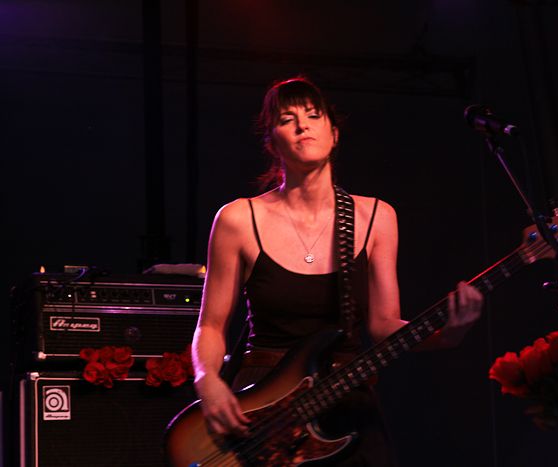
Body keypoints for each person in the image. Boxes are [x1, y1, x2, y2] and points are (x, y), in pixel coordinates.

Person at [191, 76, 484, 466]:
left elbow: (383, 325)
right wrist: (207, 380)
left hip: (346, 401)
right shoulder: (238, 219)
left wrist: (448, 335)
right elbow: (211, 325)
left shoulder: (376, 216)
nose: (302, 125)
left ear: (334, 133)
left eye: (314, 115)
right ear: (272, 141)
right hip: (265, 408)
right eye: (287, 119)